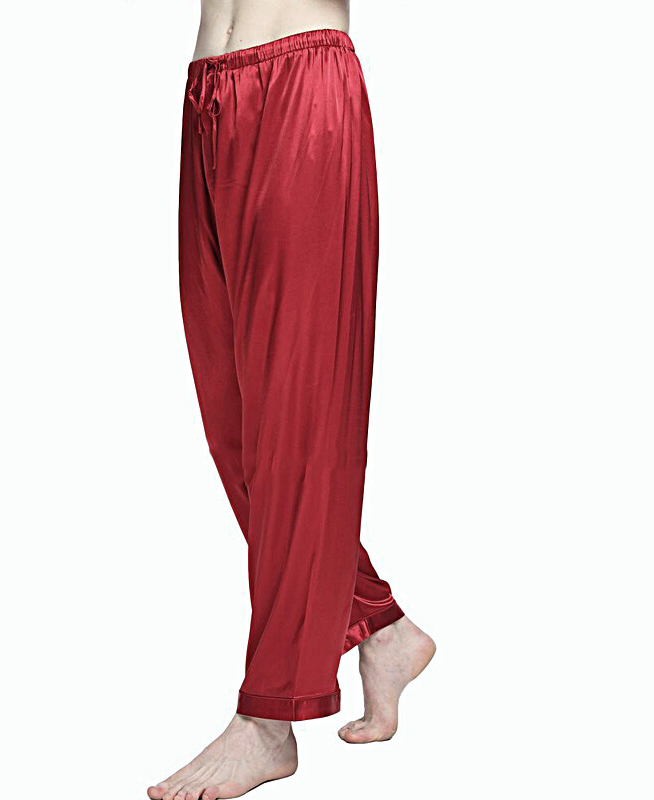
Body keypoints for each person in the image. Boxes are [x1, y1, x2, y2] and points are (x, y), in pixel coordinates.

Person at [149, 3, 435, 798]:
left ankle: (269, 720)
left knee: (297, 421)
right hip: (208, 94)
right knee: (236, 424)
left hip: (301, 83)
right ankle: (378, 625)